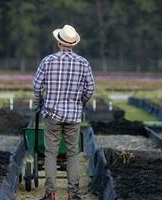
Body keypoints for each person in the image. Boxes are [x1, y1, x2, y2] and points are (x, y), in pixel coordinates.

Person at [33, 24, 95, 200]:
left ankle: (50, 193)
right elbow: (90, 88)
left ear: (59, 42)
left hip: (52, 114)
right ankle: (72, 194)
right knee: (72, 153)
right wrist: (80, 102)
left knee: (50, 153)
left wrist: (40, 103)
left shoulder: (48, 61)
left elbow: (37, 86)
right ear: (73, 43)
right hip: (73, 115)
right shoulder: (83, 63)